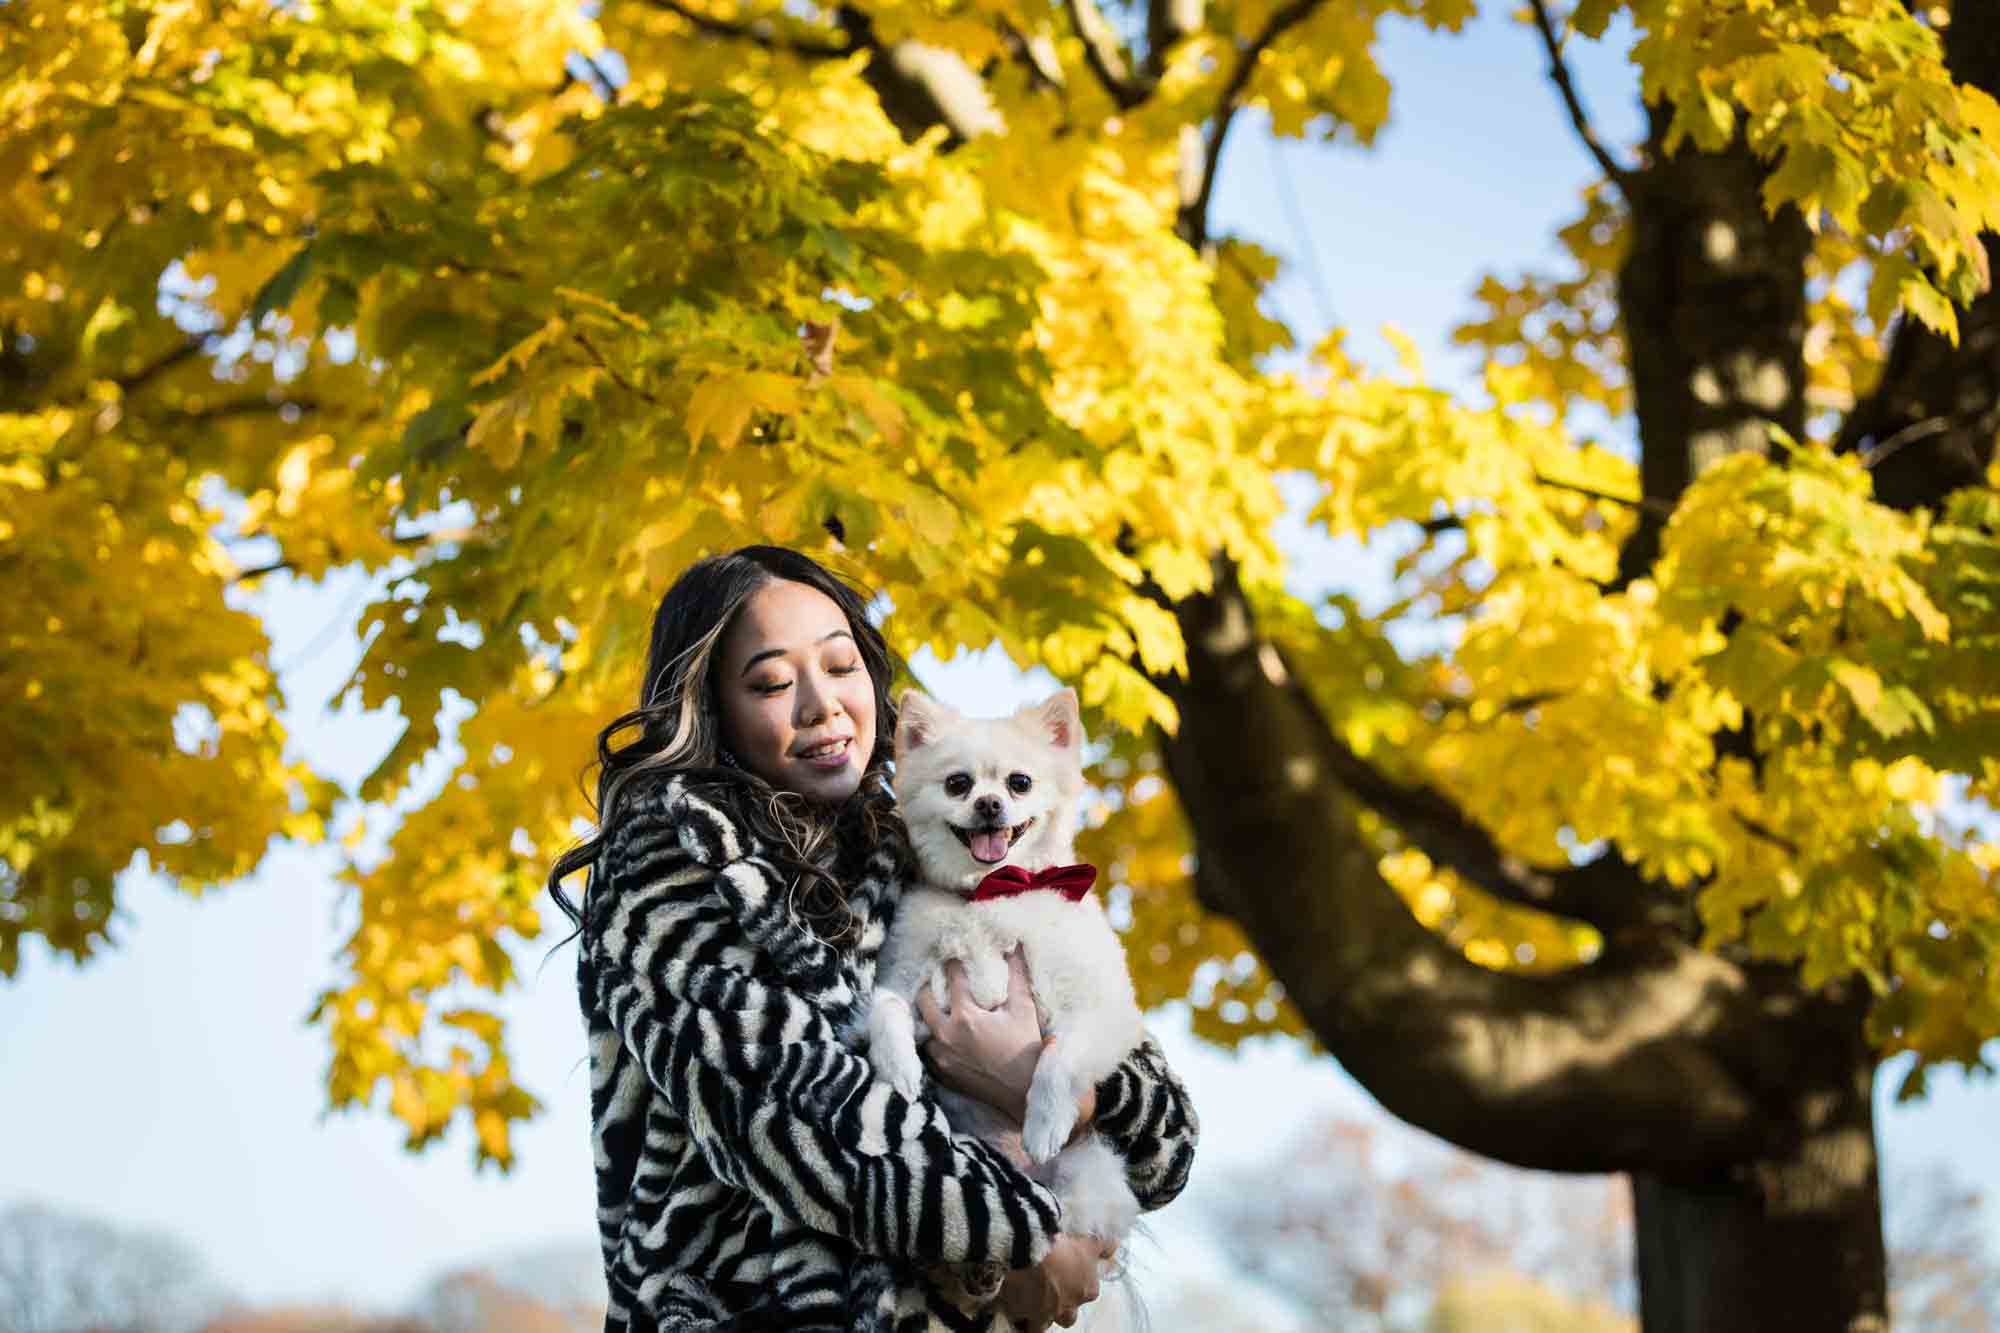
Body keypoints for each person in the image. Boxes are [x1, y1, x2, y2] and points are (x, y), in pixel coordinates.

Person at [548, 546, 1199, 1332]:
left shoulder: (926, 843)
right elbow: (787, 1115)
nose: (820, 705)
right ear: (714, 709)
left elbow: (1162, 1133)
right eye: (773, 683)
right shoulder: (674, 854)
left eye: (840, 665)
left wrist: (1047, 1081)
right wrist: (1026, 1242)